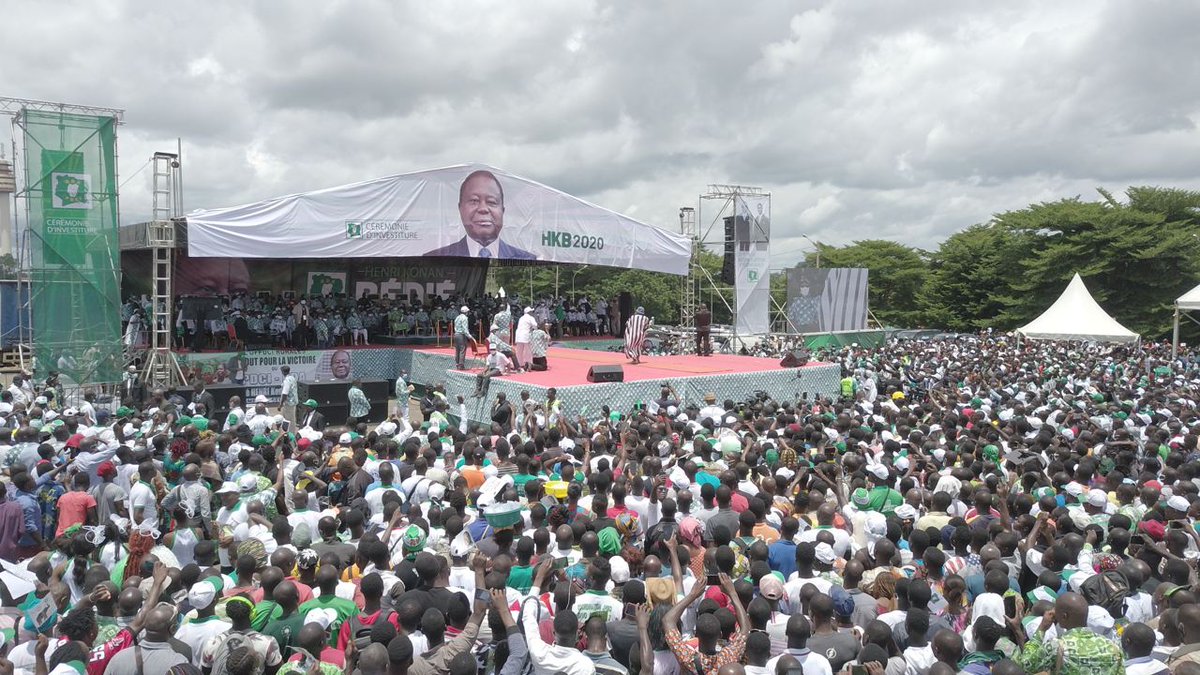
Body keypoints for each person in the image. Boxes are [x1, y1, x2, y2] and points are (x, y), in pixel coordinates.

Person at [423, 170, 537, 260]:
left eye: (491, 202)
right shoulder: (434, 259)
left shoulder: (527, 260)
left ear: (503, 210)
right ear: (460, 208)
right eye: (474, 201)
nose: (483, 209)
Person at [453, 306, 471, 370]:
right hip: (461, 335)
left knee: (457, 350)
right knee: (462, 350)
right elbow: (465, 329)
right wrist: (470, 337)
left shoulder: (457, 317)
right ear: (466, 312)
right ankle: (461, 365)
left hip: (456, 334)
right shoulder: (465, 318)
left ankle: (457, 364)